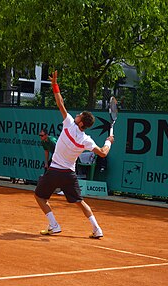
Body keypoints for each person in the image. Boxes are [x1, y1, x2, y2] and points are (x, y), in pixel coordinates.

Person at [34, 71, 114, 239]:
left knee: (39, 196)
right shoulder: (87, 140)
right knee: (80, 201)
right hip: (69, 174)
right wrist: (109, 142)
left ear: (81, 122)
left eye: (79, 115)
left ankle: (54, 225)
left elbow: (60, 102)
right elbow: (102, 153)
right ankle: (97, 229)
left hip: (55, 170)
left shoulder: (69, 124)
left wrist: (55, 85)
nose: (76, 115)